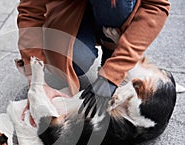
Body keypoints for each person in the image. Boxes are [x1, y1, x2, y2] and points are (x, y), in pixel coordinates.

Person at [17, 0, 170, 125]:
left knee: (117, 5)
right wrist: (36, 81)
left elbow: (157, 5)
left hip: (115, 10)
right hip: (70, 11)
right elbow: (30, 12)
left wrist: (113, 72)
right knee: (76, 59)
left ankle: (112, 48)